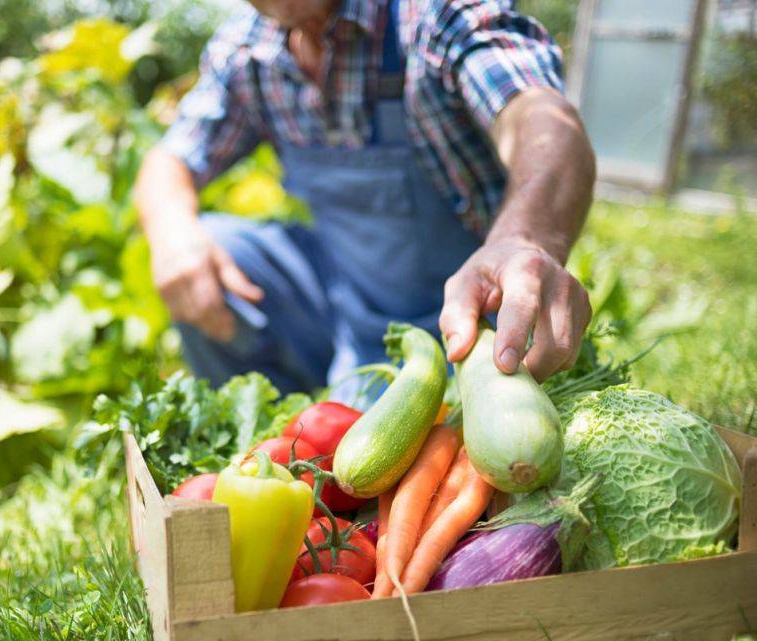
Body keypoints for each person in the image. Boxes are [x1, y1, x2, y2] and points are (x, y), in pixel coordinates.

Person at [134, 0, 596, 395]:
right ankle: (268, 441)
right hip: (344, 306)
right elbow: (170, 161)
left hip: (474, 322)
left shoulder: (436, 16)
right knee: (212, 245)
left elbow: (542, 119)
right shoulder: (247, 52)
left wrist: (524, 240)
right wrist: (174, 236)